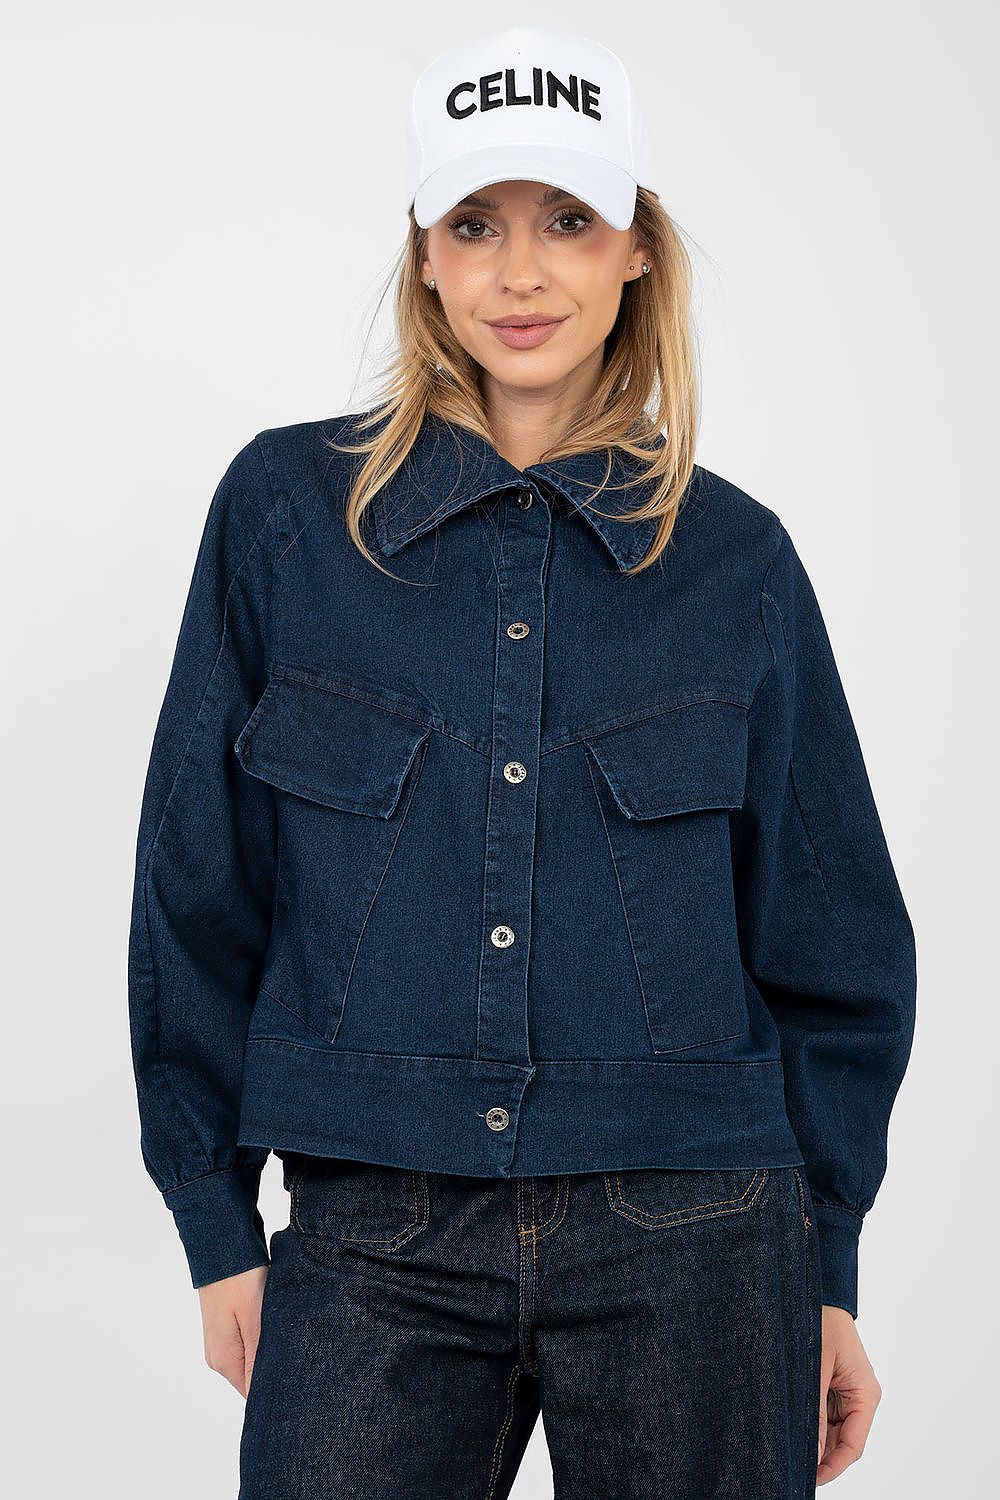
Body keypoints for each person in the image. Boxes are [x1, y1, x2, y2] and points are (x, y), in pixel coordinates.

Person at [126, 24, 917, 1499]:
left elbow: (832, 937)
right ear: (423, 255)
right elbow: (196, 888)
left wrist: (829, 1266)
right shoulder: (287, 519)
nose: (521, 271)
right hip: (373, 1232)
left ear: (634, 252)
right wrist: (215, 1222)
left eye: (569, 220)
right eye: (475, 224)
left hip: (699, 1235)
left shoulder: (737, 561)